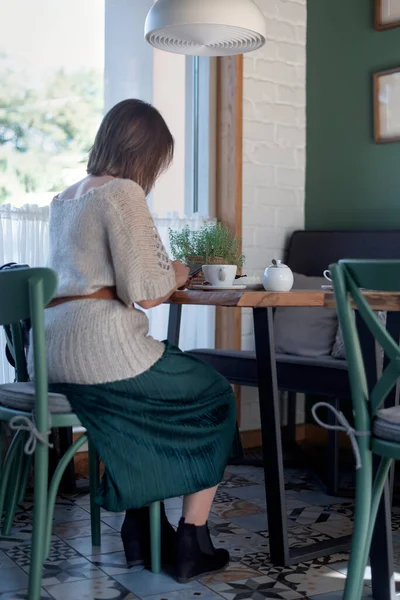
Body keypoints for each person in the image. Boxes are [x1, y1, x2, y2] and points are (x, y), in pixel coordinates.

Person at [30, 99, 242, 583]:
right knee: (212, 395)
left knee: (146, 408)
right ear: (143, 153)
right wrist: (182, 270)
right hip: (103, 352)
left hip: (55, 355)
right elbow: (147, 292)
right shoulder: (122, 193)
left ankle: (142, 530)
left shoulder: (65, 198)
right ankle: (193, 538)